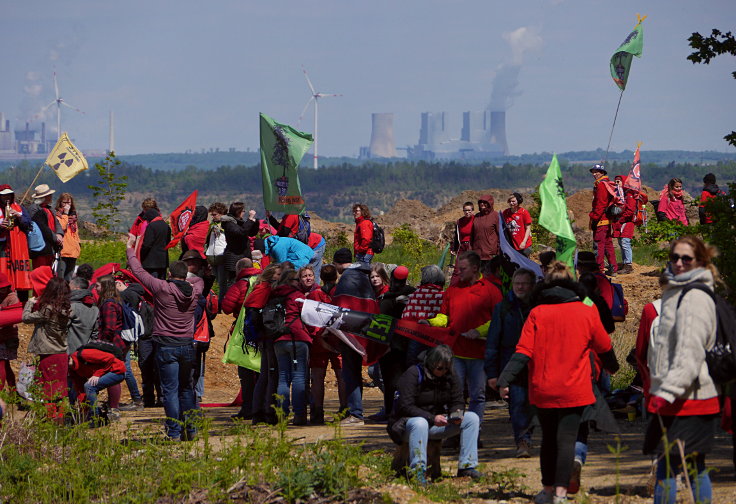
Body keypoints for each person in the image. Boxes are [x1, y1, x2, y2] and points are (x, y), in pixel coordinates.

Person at [497, 261, 618, 504]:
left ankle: (548, 491)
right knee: (567, 442)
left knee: (549, 441)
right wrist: (613, 368)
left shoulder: (536, 313)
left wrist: (503, 379)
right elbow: (604, 346)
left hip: (543, 390)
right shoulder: (586, 311)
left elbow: (523, 352)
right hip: (576, 389)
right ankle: (561, 495)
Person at [643, 236, 720, 504]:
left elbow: (690, 353)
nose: (678, 263)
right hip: (682, 396)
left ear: (700, 261)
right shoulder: (679, 292)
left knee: (676, 469)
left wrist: (666, 392)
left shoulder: (694, 297)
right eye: (674, 257)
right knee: (686, 467)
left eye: (686, 259)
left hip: (690, 398)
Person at [126, 238, 203, 441]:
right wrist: (187, 280)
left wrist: (130, 248)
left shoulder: (162, 288)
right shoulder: (195, 290)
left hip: (166, 345)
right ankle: (191, 429)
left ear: (170, 274)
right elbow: (199, 280)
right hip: (187, 345)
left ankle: (174, 432)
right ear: (185, 275)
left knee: (170, 390)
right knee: (187, 388)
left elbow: (138, 272)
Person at [423, 251, 502, 438]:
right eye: (458, 269)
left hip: (480, 354)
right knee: (454, 395)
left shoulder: (491, 290)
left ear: (475, 268)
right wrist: (431, 322)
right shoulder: (453, 289)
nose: (458, 272)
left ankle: (474, 431)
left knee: (478, 395)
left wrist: (479, 331)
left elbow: (499, 319)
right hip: (455, 352)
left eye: (462, 269)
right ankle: (454, 432)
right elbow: (445, 317)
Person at [387, 344, 482, 483]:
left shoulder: (450, 375)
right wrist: (432, 418)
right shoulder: (413, 374)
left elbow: (458, 400)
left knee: (472, 418)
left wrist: (457, 414)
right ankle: (418, 471)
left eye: (446, 368)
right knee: (420, 423)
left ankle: (467, 466)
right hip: (409, 425)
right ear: (431, 364)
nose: (443, 371)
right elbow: (405, 406)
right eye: (440, 368)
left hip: (437, 423)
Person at [485, 268, 536, 458]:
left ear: (532, 286)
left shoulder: (539, 308)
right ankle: (523, 441)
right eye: (517, 283)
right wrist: (492, 372)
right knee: (517, 404)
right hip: (511, 365)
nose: (520, 287)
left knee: (535, 405)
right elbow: (493, 342)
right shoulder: (503, 307)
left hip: (537, 365)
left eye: (524, 283)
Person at [23, 276, 72, 421]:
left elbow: (25, 318)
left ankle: (50, 420)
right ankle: (61, 419)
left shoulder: (48, 309)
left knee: (48, 389)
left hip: (48, 352)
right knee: (61, 389)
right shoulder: (67, 309)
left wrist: (29, 303)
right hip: (61, 352)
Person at [267, 268, 311, 425]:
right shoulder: (297, 296)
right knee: (299, 376)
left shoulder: (273, 295)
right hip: (298, 337)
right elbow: (308, 317)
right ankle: (299, 415)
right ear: (294, 281)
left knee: (283, 378)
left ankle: (282, 415)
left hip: (279, 338)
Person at [221, 257, 260, 420]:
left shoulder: (240, 284)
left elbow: (226, 307)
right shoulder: (261, 281)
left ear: (239, 270)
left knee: (245, 371)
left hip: (245, 330)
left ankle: (248, 408)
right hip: (263, 330)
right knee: (260, 371)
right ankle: (262, 407)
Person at [306, 264, 346, 424]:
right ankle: (345, 409)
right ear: (336, 277)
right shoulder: (341, 292)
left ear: (320, 278)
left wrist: (319, 332)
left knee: (317, 376)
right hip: (339, 337)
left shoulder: (314, 294)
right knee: (342, 375)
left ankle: (317, 411)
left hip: (319, 338)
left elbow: (308, 317)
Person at [245, 263, 283, 425]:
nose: (281, 277)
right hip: (268, 337)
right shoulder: (266, 290)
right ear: (271, 276)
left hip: (262, 336)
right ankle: (268, 412)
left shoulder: (259, 288)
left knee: (264, 375)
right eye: (279, 274)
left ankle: (259, 411)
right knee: (270, 374)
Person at [93, 275, 127, 421]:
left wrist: (102, 344)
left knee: (113, 374)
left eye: (98, 286)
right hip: (117, 343)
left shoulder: (108, 304)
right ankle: (114, 406)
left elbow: (109, 328)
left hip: (113, 344)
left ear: (105, 287)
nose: (95, 288)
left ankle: (114, 408)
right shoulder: (115, 301)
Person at [402, 264, 446, 367]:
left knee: (413, 362)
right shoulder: (444, 295)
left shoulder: (416, 294)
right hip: (435, 336)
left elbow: (406, 315)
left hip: (416, 334)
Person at [68, 346, 126, 423]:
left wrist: (97, 374)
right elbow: (80, 390)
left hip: (117, 370)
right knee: (88, 387)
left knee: (89, 386)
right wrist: (83, 408)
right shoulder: (72, 369)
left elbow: (110, 357)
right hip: (107, 373)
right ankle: (96, 415)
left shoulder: (83, 354)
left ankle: (95, 418)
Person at [220, 202, 259, 297]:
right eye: (243, 211)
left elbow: (251, 233)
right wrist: (249, 220)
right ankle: (229, 303)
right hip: (234, 257)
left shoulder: (239, 222)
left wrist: (254, 222)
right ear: (238, 211)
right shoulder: (228, 223)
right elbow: (241, 232)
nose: (244, 213)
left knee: (245, 281)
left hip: (243, 255)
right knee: (233, 283)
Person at [0, 185, 32, 295]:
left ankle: (22, 300)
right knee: (4, 275)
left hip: (19, 248)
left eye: (9, 195)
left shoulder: (20, 208)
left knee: (20, 274)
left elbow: (28, 224)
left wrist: (18, 216)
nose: (7, 198)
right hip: (3, 249)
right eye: (4, 195)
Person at [25, 184, 64, 269]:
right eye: (49, 195)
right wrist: (55, 238)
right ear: (44, 197)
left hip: (51, 246)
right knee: (41, 270)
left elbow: (57, 223)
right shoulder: (33, 209)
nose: (51, 197)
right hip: (41, 246)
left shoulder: (50, 209)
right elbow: (41, 227)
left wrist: (59, 234)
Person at [588, 164, 617, 276]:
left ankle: (599, 270)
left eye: (597, 172)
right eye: (593, 172)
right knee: (608, 244)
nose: (594, 174)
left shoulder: (601, 185)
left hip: (601, 219)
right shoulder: (606, 184)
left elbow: (601, 203)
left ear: (603, 173)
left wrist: (594, 217)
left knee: (599, 245)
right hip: (606, 219)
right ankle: (613, 268)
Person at [0, 272, 23, 391]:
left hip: (8, 336)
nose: (2, 290)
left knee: (2, 364)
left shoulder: (12, 297)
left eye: (4, 288)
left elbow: (14, 317)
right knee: (6, 366)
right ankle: (14, 394)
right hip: (2, 336)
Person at [67, 276, 99, 355]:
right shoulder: (95, 309)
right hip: (86, 351)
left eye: (69, 286)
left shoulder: (72, 307)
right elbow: (95, 333)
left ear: (76, 288)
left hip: (69, 350)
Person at [54, 193, 81, 281]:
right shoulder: (57, 215)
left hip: (73, 251)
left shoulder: (73, 217)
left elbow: (76, 233)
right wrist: (65, 213)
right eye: (64, 202)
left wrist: (78, 245)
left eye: (69, 203)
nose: (67, 205)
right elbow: (62, 227)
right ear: (60, 203)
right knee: (60, 278)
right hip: (63, 251)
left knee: (68, 278)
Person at [139, 207, 171, 279]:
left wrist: (141, 255)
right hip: (163, 262)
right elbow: (168, 242)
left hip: (151, 263)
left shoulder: (151, 226)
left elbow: (147, 244)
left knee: (152, 285)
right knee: (161, 284)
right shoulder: (166, 226)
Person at [206, 202, 228, 306]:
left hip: (222, 255)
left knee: (222, 282)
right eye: (212, 215)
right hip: (212, 256)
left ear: (221, 213)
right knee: (214, 281)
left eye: (215, 214)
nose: (213, 217)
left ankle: (221, 304)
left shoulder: (227, 224)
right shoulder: (212, 225)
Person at [470, 194, 499, 266]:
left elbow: (501, 235)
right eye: (480, 202)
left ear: (490, 203)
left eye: (485, 202)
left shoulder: (496, 216)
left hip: (491, 255)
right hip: (477, 254)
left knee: (490, 276)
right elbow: (472, 235)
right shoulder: (476, 216)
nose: (482, 204)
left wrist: (498, 252)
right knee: (478, 276)